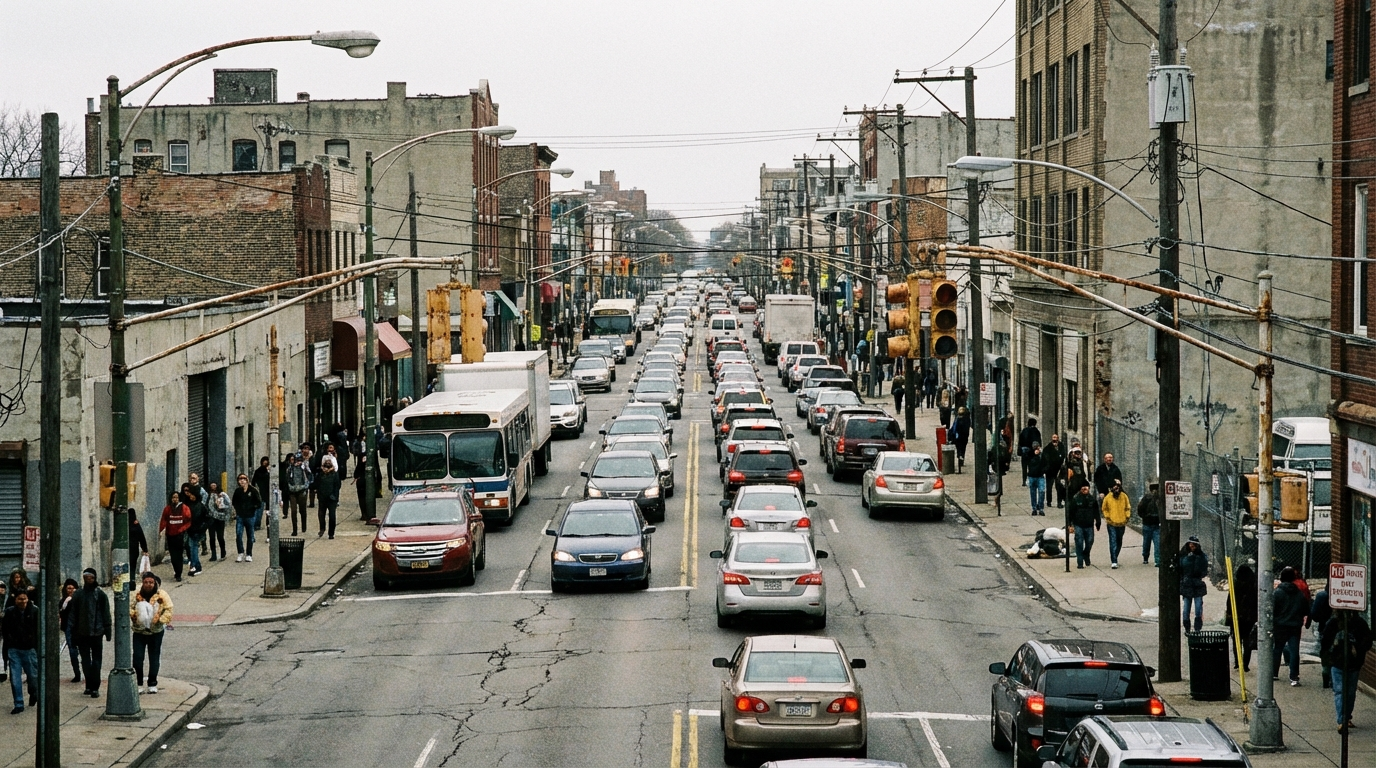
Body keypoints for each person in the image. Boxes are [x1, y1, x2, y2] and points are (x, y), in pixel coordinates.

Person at [1322, 609, 1374, 732]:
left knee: (1349, 693)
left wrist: (1356, 649)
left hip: (1352, 663)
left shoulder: (1360, 623)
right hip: (1338, 663)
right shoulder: (1334, 623)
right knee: (1341, 692)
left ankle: (1346, 717)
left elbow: (1368, 642)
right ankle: (1342, 720)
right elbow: (1325, 642)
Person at [70, 568, 111, 698]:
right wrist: (72, 632)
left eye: (91, 578)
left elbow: (106, 613)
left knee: (96, 662)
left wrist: (107, 629)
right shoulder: (78, 595)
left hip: (97, 633)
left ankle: (95, 687)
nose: (88, 580)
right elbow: (73, 615)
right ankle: (89, 684)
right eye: (86, 578)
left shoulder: (100, 594)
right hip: (82, 634)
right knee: (85, 661)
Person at [130, 571, 172, 694]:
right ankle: (139, 683)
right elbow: (130, 607)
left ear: (155, 583)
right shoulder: (136, 594)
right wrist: (134, 616)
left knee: (154, 657)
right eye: (146, 582)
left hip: (156, 632)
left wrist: (160, 620)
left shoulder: (162, 595)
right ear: (143, 583)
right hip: (139, 632)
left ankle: (152, 682)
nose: (149, 585)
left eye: (151, 582)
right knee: (138, 657)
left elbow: (168, 609)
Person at [1272, 566, 1309, 686]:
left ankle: (1274, 673)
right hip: (1295, 626)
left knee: (1277, 649)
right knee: (1294, 651)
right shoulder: (1299, 594)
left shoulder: (1277, 593)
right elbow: (1305, 609)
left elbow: (1272, 610)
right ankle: (1294, 677)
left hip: (1280, 625)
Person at [1, 590, 37, 714]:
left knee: (33, 677)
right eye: (20, 599)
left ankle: (33, 693)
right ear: (15, 600)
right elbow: (5, 632)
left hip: (30, 649)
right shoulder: (10, 612)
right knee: (15, 679)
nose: (22, 602)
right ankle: (18, 703)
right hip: (14, 649)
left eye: (24, 599)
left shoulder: (35, 611)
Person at [1223, 562, 1258, 672]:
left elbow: (1229, 602)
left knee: (1236, 639)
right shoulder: (1253, 587)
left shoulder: (1235, 586)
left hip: (1236, 616)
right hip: (1249, 618)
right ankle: (1245, 663)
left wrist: (1229, 614)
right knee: (1247, 640)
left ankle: (1237, 662)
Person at [1179, 536, 1210, 633]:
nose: (1192, 546)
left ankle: (1197, 628)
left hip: (1196, 583)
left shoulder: (1201, 556)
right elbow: (1182, 568)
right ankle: (1188, 627)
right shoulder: (1184, 556)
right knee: (1187, 608)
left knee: (1197, 608)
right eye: (1190, 544)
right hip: (1188, 583)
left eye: (1194, 544)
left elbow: (1203, 570)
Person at [158, 492, 190, 582]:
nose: (175, 499)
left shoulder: (184, 508)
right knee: (173, 556)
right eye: (173, 497)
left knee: (179, 555)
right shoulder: (168, 508)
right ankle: (176, 571)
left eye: (176, 497)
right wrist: (161, 530)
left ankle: (179, 573)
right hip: (170, 535)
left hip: (179, 535)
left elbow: (188, 520)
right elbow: (164, 519)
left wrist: (182, 529)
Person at [1068, 483, 1100, 568]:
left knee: (1090, 541)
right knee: (1079, 543)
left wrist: (1098, 521)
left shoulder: (1092, 499)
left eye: (1086, 487)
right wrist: (1069, 524)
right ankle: (1080, 562)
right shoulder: (1075, 499)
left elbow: (1096, 511)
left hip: (1089, 525)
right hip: (1078, 525)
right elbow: (1070, 512)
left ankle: (1086, 554)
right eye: (1082, 487)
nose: (1084, 488)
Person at [1101, 480, 1131, 568]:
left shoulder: (1124, 496)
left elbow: (1127, 507)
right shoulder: (1108, 497)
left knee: (1119, 541)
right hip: (1112, 523)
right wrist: (1108, 517)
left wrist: (1127, 517)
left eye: (1117, 486)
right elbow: (1104, 508)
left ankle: (1115, 556)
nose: (1116, 488)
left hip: (1121, 523)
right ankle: (1114, 560)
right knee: (1113, 541)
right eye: (1114, 486)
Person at [232, 473, 261, 562]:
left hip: (250, 516)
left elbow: (258, 502)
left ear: (247, 480)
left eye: (244, 479)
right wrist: (238, 510)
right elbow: (234, 502)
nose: (242, 481)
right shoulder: (237, 491)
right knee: (239, 534)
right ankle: (240, 552)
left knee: (250, 535)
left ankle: (249, 553)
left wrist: (252, 508)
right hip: (240, 516)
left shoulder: (253, 490)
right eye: (240, 479)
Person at [1309, 587, 1333, 687]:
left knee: (1325, 652)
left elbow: (1314, 615)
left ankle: (1326, 675)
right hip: (1343, 628)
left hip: (1325, 628)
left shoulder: (1322, 596)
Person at [180, 484, 206, 576]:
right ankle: (195, 565)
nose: (191, 496)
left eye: (192, 494)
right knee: (191, 548)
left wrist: (202, 527)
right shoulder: (187, 505)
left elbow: (207, 518)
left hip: (196, 530)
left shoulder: (200, 506)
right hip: (190, 530)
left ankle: (196, 566)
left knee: (193, 548)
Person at [58, 578, 80, 683]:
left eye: (72, 588)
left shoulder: (79, 599)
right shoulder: (64, 601)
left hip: (79, 628)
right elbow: (62, 611)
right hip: (68, 628)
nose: (70, 590)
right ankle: (77, 673)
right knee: (72, 651)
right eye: (68, 588)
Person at [316, 451, 342, 539]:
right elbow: (317, 485)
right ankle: (322, 528)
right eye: (325, 463)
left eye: (329, 463)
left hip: (332, 498)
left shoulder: (334, 475)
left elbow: (337, 486)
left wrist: (335, 496)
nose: (327, 464)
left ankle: (331, 533)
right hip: (322, 498)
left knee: (332, 516)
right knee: (321, 514)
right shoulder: (320, 474)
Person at [285, 452, 311, 537]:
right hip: (292, 492)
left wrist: (305, 487)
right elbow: (287, 480)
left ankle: (304, 525)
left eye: (297, 460)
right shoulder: (289, 469)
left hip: (302, 491)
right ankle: (294, 529)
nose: (296, 462)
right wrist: (290, 487)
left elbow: (309, 478)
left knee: (302, 510)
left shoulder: (304, 468)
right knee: (293, 511)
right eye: (293, 460)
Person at [1137, 482, 1162, 566]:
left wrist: (1144, 517)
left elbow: (1140, 509)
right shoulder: (1160, 499)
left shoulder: (1146, 498)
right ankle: (1157, 560)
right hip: (1156, 524)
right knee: (1157, 543)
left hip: (1147, 523)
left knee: (1146, 542)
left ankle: (1145, 557)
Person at [207, 481, 231, 562]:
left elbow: (228, 505)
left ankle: (223, 552)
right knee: (212, 537)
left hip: (220, 518)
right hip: (211, 519)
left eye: (215, 485)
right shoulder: (208, 495)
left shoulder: (222, 494)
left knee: (220, 536)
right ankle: (213, 554)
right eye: (211, 485)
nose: (213, 487)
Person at [1041, 434, 1066, 508]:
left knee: (1059, 487)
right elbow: (1044, 459)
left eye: (1056, 438)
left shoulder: (1061, 447)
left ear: (1058, 439)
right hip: (1050, 471)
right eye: (1053, 438)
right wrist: (1045, 469)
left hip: (1059, 471)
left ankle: (1059, 502)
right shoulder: (1047, 448)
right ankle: (1049, 501)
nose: (1054, 439)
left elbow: (1063, 455)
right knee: (1049, 487)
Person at [1017, 418, 1042, 487]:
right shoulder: (1036, 431)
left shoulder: (1024, 430)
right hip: (1032, 452)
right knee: (1031, 467)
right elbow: (1038, 442)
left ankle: (1024, 481)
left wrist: (1020, 451)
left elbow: (1020, 441)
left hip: (1024, 451)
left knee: (1024, 467)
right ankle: (1031, 480)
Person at [1026, 442, 1047, 516]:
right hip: (1032, 476)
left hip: (1040, 476)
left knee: (1042, 491)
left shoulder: (1042, 455)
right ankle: (1034, 508)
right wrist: (1034, 454)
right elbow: (1027, 459)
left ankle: (1041, 507)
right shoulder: (1030, 454)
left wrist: (1044, 470)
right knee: (1033, 493)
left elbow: (1045, 463)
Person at [252, 456, 273, 531]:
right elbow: (254, 482)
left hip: (268, 493)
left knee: (268, 510)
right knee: (259, 510)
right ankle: (257, 525)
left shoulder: (270, 471)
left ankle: (268, 523)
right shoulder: (258, 471)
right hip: (261, 493)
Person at [950, 407, 971, 472]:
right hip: (964, 437)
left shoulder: (957, 419)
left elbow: (954, 429)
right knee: (963, 448)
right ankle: (961, 459)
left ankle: (959, 456)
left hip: (958, 437)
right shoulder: (967, 419)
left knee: (959, 449)